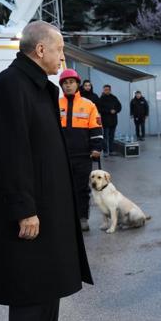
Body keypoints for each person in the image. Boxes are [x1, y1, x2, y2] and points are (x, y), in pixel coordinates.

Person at [0, 21, 93, 321]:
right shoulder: (10, 86)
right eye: (60, 50)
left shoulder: (40, 87)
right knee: (30, 288)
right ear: (41, 50)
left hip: (52, 206)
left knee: (51, 283)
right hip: (30, 211)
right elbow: (10, 155)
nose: (63, 57)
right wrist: (24, 209)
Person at [59, 69, 103, 232]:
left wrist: (96, 148)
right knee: (61, 188)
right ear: (62, 86)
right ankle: (65, 219)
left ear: (77, 84)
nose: (68, 85)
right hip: (60, 155)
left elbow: (96, 128)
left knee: (82, 189)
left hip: (83, 155)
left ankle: (82, 218)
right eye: (65, 83)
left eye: (71, 82)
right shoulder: (55, 104)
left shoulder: (89, 104)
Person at [97, 84, 122, 156]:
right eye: (105, 90)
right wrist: (109, 111)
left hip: (114, 121)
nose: (107, 91)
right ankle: (105, 151)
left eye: (108, 90)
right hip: (105, 121)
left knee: (112, 137)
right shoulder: (101, 99)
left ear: (110, 90)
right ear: (103, 90)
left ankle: (111, 151)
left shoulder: (114, 98)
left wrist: (116, 110)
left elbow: (119, 106)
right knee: (105, 137)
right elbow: (99, 109)